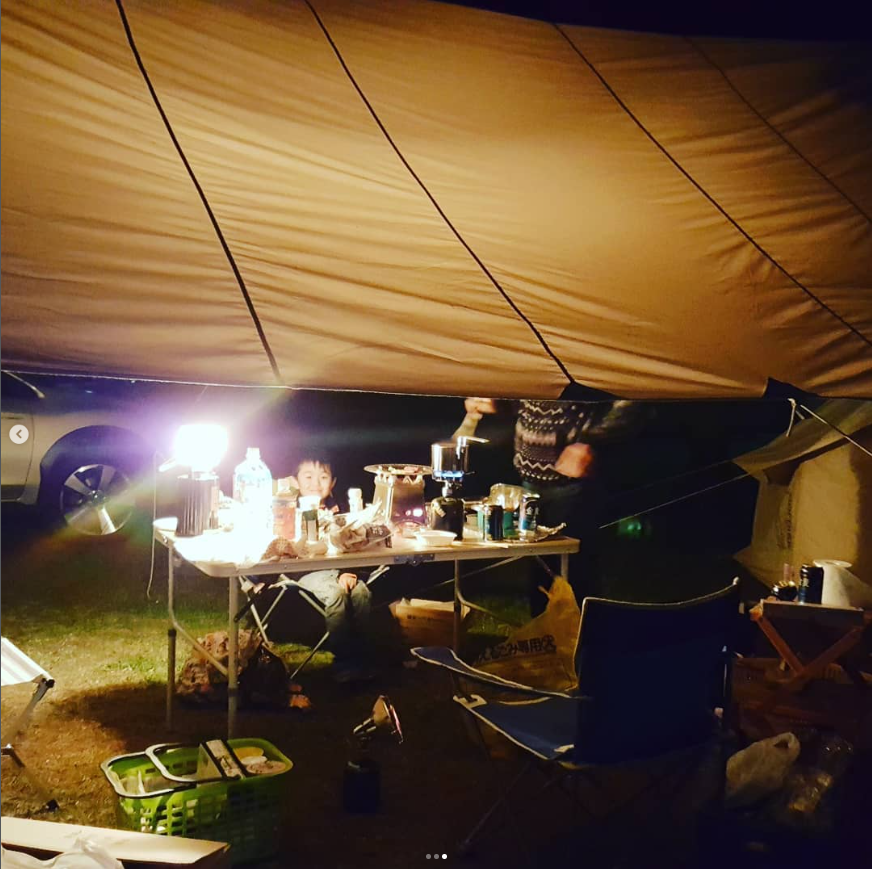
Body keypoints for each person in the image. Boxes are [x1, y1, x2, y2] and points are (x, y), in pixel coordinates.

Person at [455, 396, 647, 609]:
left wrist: (593, 442)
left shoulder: (586, 378)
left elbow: (631, 402)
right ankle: (542, 626)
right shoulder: (538, 376)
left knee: (574, 569)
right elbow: (526, 403)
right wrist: (498, 404)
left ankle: (581, 627)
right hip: (530, 487)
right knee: (539, 567)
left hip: (572, 485)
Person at [278, 456, 374, 682]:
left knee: (361, 593)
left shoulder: (343, 511)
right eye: (308, 476)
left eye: (323, 477)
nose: (315, 483)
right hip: (307, 571)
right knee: (336, 595)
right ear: (295, 481)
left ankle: (363, 656)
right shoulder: (287, 510)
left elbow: (355, 545)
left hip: (339, 569)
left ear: (333, 483)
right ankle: (344, 662)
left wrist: (347, 572)